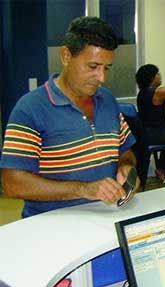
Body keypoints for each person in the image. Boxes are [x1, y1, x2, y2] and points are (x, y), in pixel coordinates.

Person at [0, 16, 137, 217]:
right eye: (93, 67)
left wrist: (126, 168)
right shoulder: (30, 108)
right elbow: (12, 183)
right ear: (65, 56)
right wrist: (85, 189)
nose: (102, 78)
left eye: (106, 68)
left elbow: (125, 152)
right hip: (53, 224)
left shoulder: (107, 100)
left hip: (104, 216)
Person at [135, 64, 165, 185]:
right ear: (152, 78)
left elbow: (159, 109)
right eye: (157, 74)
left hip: (148, 132)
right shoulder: (157, 92)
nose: (160, 76)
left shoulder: (143, 94)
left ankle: (162, 169)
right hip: (155, 133)